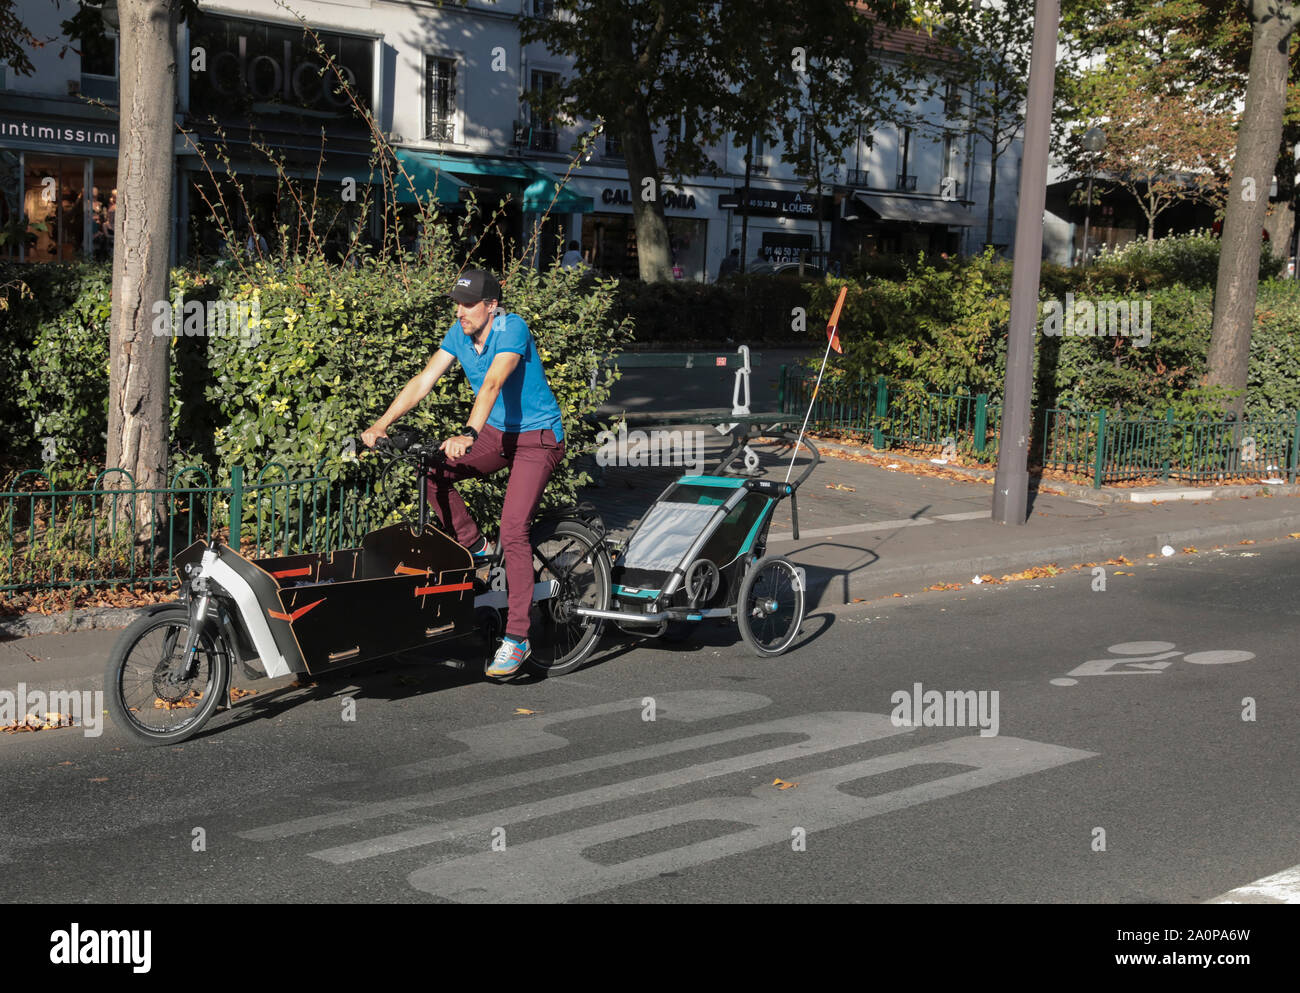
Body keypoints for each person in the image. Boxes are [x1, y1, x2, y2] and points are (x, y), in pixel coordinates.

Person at [361, 269, 566, 678]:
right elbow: (424, 380)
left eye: (469, 304)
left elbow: (492, 383)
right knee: (432, 470)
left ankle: (518, 638)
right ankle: (475, 546)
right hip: (498, 434)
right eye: (457, 303)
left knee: (514, 529)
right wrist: (381, 423)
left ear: (491, 305)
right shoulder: (459, 334)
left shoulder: (513, 329)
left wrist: (470, 432)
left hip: (538, 438)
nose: (461, 311)